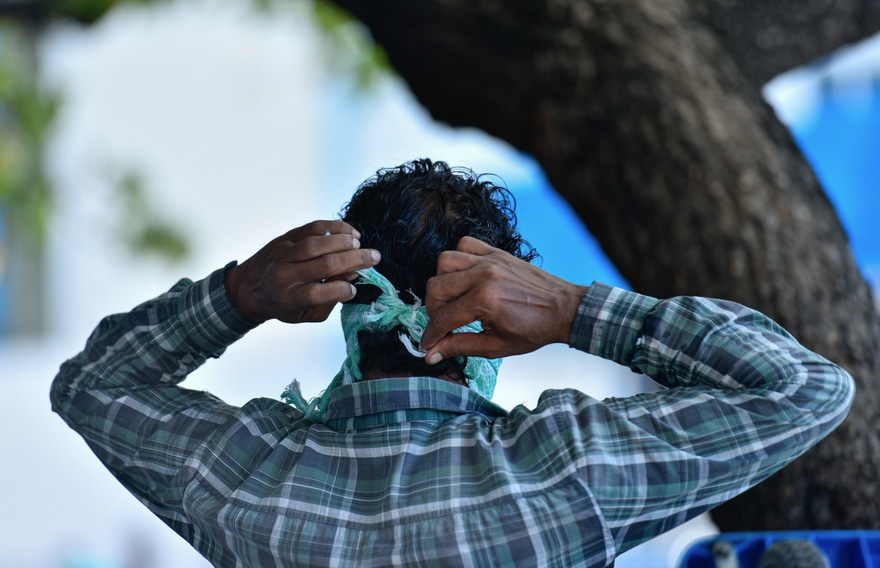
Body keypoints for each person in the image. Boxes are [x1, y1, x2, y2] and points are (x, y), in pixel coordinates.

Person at [52, 159, 854, 568]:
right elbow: (803, 388)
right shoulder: (570, 472)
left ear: (351, 314)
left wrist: (241, 294)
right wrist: (572, 309)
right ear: (491, 314)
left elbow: (91, 386)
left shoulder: (244, 478)